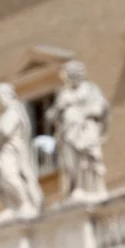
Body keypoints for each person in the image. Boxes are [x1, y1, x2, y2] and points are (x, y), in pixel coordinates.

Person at [47, 61, 110, 203]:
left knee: (87, 159)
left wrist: (83, 112)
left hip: (86, 131)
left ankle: (89, 188)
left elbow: (100, 108)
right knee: (71, 162)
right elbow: (53, 114)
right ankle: (78, 187)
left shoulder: (90, 89)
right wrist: (56, 112)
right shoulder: (65, 94)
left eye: (70, 75)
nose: (68, 79)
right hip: (69, 133)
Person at [0, 82, 44, 224]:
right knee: (4, 179)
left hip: (12, 151)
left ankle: (24, 203)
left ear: (7, 96)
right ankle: (13, 205)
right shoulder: (5, 114)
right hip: (4, 152)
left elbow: (5, 131)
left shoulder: (14, 111)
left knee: (10, 176)